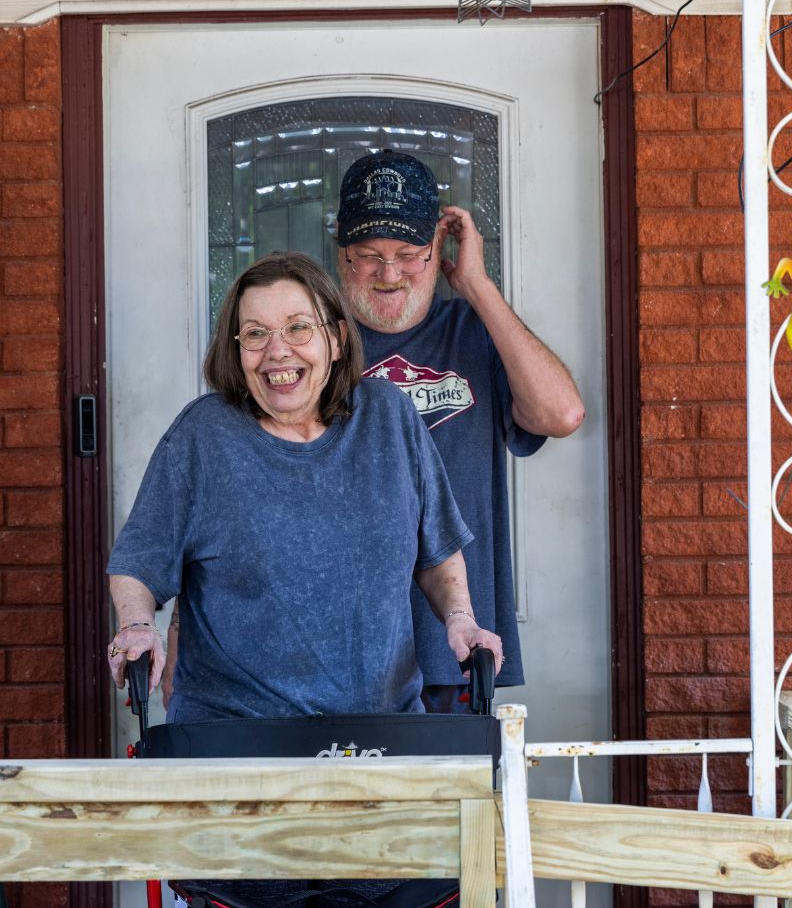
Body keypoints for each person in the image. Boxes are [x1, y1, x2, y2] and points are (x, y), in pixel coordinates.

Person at [106, 249, 502, 719]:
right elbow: (138, 562)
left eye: (298, 327)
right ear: (237, 350)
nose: (278, 351)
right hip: (237, 737)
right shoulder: (202, 436)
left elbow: (437, 552)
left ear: (335, 339)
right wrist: (136, 626)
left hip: (380, 733)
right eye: (255, 334)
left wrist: (462, 620)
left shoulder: (388, 416)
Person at [336, 149, 585, 712]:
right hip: (342, 647)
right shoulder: (312, 346)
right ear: (342, 252)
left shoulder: (473, 332)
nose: (390, 273)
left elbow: (560, 414)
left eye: (409, 254)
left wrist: (474, 284)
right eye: (369, 255)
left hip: (458, 644)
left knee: (458, 799)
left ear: (437, 249)